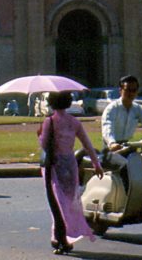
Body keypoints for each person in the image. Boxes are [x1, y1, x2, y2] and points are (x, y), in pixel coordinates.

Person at [38, 91, 103, 255]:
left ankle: (60, 238)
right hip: (70, 164)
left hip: (53, 166)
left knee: (56, 204)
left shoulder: (49, 122)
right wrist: (96, 164)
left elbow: (45, 145)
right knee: (67, 202)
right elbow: (87, 143)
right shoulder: (74, 122)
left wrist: (40, 134)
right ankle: (60, 237)